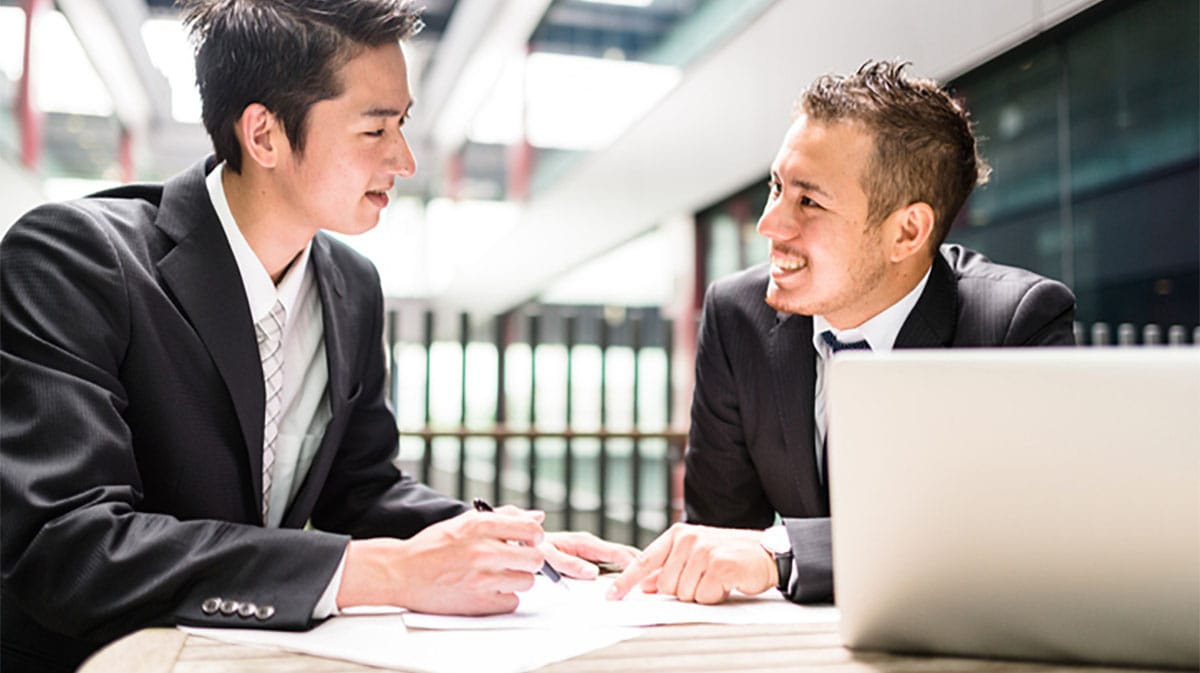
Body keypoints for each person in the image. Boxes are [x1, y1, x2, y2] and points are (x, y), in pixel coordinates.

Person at [0, 2, 632, 671]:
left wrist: (503, 542)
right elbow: (69, 545)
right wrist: (383, 570)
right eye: (374, 129)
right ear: (264, 136)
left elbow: (361, 491)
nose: (405, 159)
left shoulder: (350, 286)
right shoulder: (74, 259)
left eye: (404, 123)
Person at [608, 60, 1076, 606]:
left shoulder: (1014, 324)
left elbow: (1020, 536)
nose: (770, 224)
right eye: (777, 187)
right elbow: (718, 542)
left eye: (808, 201)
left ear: (906, 231)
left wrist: (785, 554)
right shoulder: (738, 315)